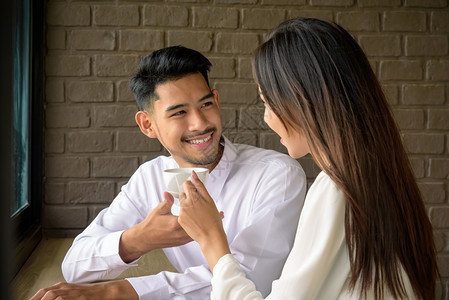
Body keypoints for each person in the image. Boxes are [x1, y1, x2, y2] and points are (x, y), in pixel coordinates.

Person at [177, 18, 439, 300]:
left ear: (300, 99)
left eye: (266, 102)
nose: (266, 118)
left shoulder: (337, 190)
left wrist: (212, 241)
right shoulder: (379, 178)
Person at [31, 46, 307, 300]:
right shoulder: (149, 178)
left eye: (206, 105)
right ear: (147, 125)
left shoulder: (277, 175)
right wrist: (139, 239)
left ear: (217, 101)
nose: (200, 123)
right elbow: (75, 267)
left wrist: (120, 290)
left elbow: (250, 279)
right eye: (179, 113)